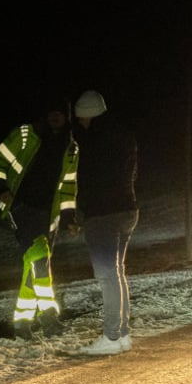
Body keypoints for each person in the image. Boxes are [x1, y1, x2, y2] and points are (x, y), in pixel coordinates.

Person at [0, 98, 79, 340]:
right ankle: (48, 317)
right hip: (21, 208)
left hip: (48, 216)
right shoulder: (25, 134)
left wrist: (69, 216)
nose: (56, 116)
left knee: (33, 265)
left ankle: (21, 322)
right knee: (40, 260)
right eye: (52, 111)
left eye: (60, 112)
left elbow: (69, 186)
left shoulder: (71, 147)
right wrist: (2, 191)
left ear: (67, 116)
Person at [72, 90, 139, 355]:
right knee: (117, 272)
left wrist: (79, 213)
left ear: (88, 115)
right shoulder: (123, 136)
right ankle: (122, 334)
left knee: (107, 275)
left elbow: (86, 181)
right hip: (128, 209)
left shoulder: (90, 143)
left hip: (103, 214)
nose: (79, 123)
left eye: (80, 118)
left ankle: (112, 337)